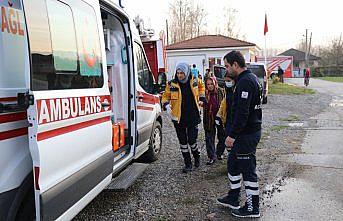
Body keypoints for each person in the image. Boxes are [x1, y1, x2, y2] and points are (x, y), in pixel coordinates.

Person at [216, 51, 263, 218]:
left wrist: (232, 136)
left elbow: (242, 113)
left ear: (236, 64)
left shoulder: (246, 82)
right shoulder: (248, 80)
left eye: (227, 66)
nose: (226, 70)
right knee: (233, 164)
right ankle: (233, 198)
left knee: (248, 170)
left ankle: (252, 208)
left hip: (246, 135)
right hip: (245, 133)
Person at [161, 62, 205, 173]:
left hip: (193, 116)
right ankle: (188, 164)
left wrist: (202, 98)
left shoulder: (194, 80)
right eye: (178, 73)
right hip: (178, 118)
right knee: (183, 142)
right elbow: (165, 96)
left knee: (192, 140)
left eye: (182, 73)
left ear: (186, 72)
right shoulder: (171, 84)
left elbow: (201, 86)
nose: (180, 75)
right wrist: (166, 105)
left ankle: (197, 156)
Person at [203, 77, 226, 165]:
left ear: (215, 83)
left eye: (211, 84)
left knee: (222, 137)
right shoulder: (205, 93)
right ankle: (211, 156)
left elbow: (225, 103)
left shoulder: (221, 91)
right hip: (209, 119)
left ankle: (219, 153)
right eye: (208, 84)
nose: (210, 86)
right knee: (209, 138)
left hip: (220, 117)